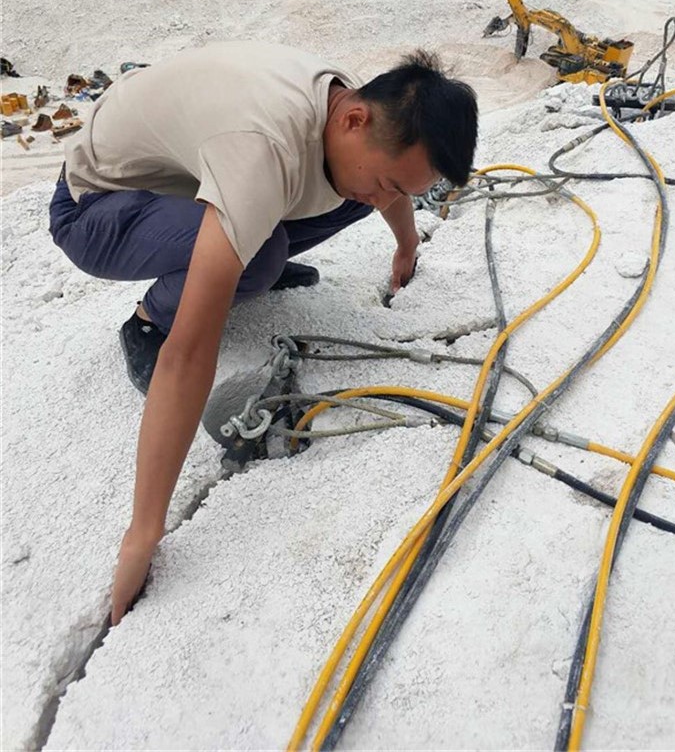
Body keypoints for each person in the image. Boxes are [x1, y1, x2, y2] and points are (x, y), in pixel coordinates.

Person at [49, 40, 478, 623]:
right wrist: (143, 535)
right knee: (259, 255)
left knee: (347, 198)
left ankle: (246, 251)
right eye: (390, 184)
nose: (388, 198)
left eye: (402, 191)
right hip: (97, 205)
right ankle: (151, 315)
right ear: (356, 118)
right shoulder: (260, 148)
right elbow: (189, 355)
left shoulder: (351, 108)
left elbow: (383, 184)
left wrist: (405, 240)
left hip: (189, 174)